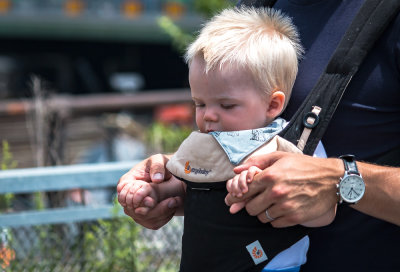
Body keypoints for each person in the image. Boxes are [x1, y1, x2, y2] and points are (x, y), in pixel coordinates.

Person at [118, 1, 400, 271]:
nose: (209, 115)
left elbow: (318, 195)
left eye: (226, 106)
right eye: (199, 104)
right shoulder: (253, 12)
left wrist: (341, 181)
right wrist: (171, 190)